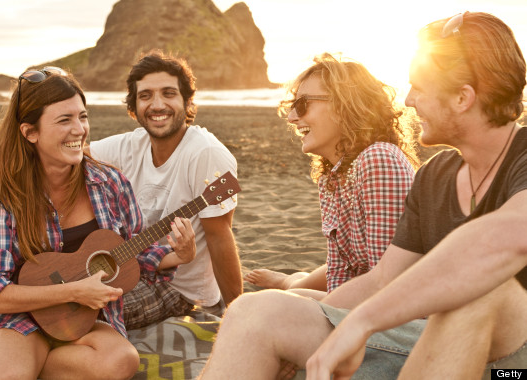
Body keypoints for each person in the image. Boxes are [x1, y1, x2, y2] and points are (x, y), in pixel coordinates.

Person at [198, 12, 527, 380]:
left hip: (509, 357)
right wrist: (318, 319)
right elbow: (382, 278)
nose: (409, 100)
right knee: (254, 312)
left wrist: (363, 321)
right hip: (422, 345)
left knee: (482, 293)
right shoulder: (436, 176)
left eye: (419, 87)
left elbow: (509, 234)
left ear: (463, 97)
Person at [0, 67, 195, 379]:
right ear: (31, 132)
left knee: (121, 360)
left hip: (83, 318)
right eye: (64, 120)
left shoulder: (110, 184)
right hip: (18, 317)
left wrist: (180, 255)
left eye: (82, 117)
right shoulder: (5, 196)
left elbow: (129, 255)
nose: (79, 129)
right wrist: (72, 291)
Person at [244, 53, 418, 296]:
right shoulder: (332, 177)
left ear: (344, 104)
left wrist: (322, 311)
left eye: (302, 104)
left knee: (268, 303)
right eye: (291, 106)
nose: (293, 118)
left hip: (392, 316)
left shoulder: (379, 159)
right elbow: (339, 272)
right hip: (363, 305)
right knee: (281, 299)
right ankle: (292, 283)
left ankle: (291, 284)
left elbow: (387, 285)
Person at [89, 50, 242, 328]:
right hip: (130, 268)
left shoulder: (204, 153)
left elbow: (220, 237)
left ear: (187, 101)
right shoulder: (130, 145)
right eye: (146, 95)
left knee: (90, 312)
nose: (157, 104)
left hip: (178, 289)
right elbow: (73, 157)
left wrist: (237, 318)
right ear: (133, 107)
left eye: (169, 93)